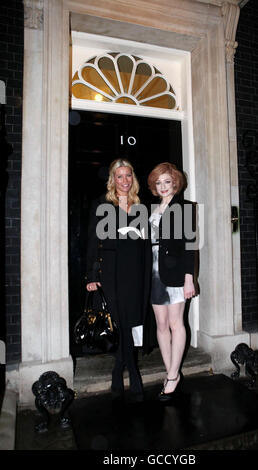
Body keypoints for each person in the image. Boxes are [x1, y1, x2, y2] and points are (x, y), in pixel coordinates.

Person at [85, 158, 151, 403]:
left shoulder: (140, 206)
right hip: (111, 271)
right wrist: (92, 276)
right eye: (119, 176)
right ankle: (132, 372)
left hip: (136, 271)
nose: (124, 181)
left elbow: (145, 244)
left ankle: (119, 369)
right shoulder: (102, 204)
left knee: (132, 320)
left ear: (133, 178)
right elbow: (93, 241)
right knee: (120, 321)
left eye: (128, 175)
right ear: (112, 179)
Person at [148, 162, 196, 402]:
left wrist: (189, 279)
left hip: (176, 274)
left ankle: (173, 374)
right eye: (158, 183)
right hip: (154, 273)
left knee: (177, 324)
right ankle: (172, 373)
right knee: (161, 324)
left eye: (167, 181)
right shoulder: (150, 210)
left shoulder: (185, 208)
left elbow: (190, 246)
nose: (163, 186)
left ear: (175, 183)